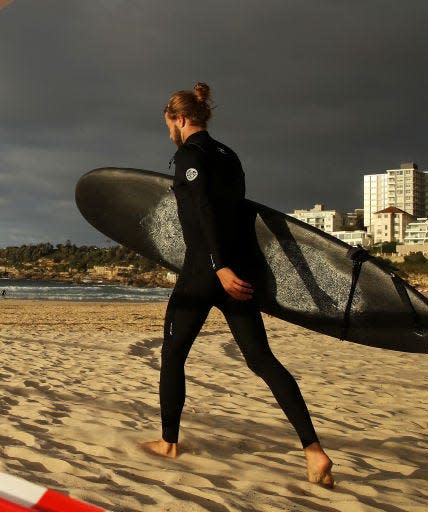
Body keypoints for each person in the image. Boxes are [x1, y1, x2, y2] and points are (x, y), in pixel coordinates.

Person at [141, 82, 334, 488]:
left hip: (205, 273)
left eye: (168, 125)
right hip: (241, 273)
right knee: (261, 359)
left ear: (178, 119)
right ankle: (313, 451)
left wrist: (217, 266)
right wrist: (236, 268)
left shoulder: (188, 155)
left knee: (173, 353)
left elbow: (206, 211)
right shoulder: (229, 155)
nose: (169, 133)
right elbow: (242, 212)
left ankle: (168, 442)